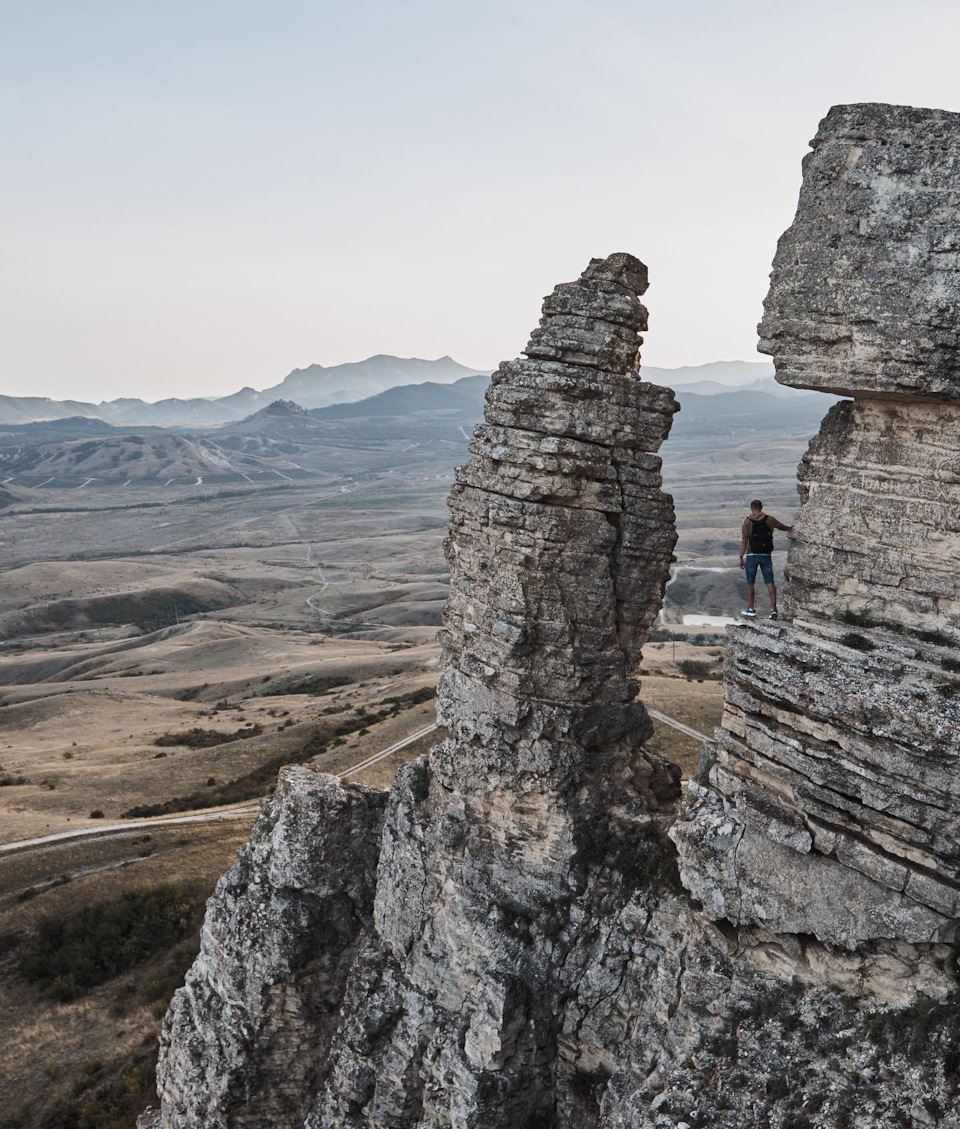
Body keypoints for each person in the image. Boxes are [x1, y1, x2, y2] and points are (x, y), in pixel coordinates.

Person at [738, 499, 793, 619]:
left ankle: (751, 609)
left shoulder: (747, 522)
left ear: (751, 508)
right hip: (766, 555)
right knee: (769, 581)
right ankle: (773, 609)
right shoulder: (770, 519)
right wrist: (790, 528)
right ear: (761, 507)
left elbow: (744, 541)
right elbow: (783, 527)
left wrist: (741, 557)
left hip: (752, 556)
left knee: (750, 582)